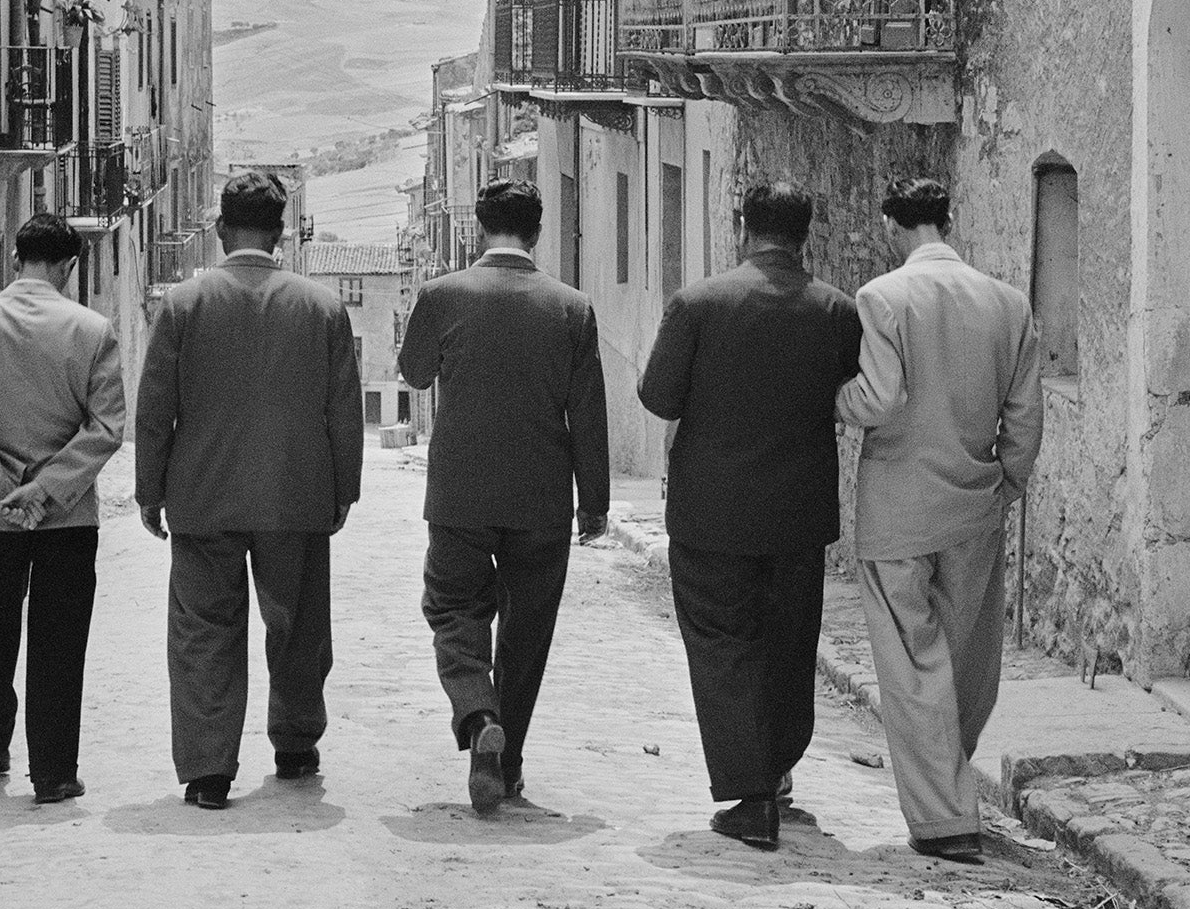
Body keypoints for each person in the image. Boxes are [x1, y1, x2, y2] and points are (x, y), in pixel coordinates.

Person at [636, 182, 862, 851]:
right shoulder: (835, 310)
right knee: (789, 644)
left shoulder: (698, 305)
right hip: (798, 512)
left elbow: (658, 397)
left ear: (743, 227)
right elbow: (854, 390)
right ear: (806, 235)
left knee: (720, 644)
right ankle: (779, 765)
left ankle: (752, 792)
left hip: (711, 512)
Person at [136, 171, 363, 810]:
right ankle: (294, 745)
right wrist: (343, 488)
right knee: (297, 624)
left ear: (218, 229)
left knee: (204, 628)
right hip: (296, 495)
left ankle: (209, 771)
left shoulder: (183, 304)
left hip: (202, 497)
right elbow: (343, 408)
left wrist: (149, 490)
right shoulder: (321, 306)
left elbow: (156, 407)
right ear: (281, 230)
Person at [838, 177, 1043, 864]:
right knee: (966, 659)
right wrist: (1007, 481)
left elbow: (878, 397)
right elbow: (1023, 414)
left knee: (912, 663)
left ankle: (943, 818)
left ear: (894, 224)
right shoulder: (1008, 303)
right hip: (974, 501)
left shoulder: (882, 298)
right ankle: (952, 783)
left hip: (899, 505)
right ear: (948, 221)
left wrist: (831, 396)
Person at [398, 177, 609, 815]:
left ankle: (475, 712)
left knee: (454, 610)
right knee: (527, 631)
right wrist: (592, 502)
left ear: (479, 229)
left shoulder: (441, 295)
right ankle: (506, 764)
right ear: (538, 231)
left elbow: (412, 372)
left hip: (460, 495)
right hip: (541, 499)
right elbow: (588, 413)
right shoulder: (572, 308)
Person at [0, 213, 125, 806]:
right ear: (69, 266)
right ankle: (53, 773)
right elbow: (106, 428)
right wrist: (44, 490)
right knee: (59, 643)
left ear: (16, 258)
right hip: (67, 517)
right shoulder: (93, 330)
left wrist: (4, 487)